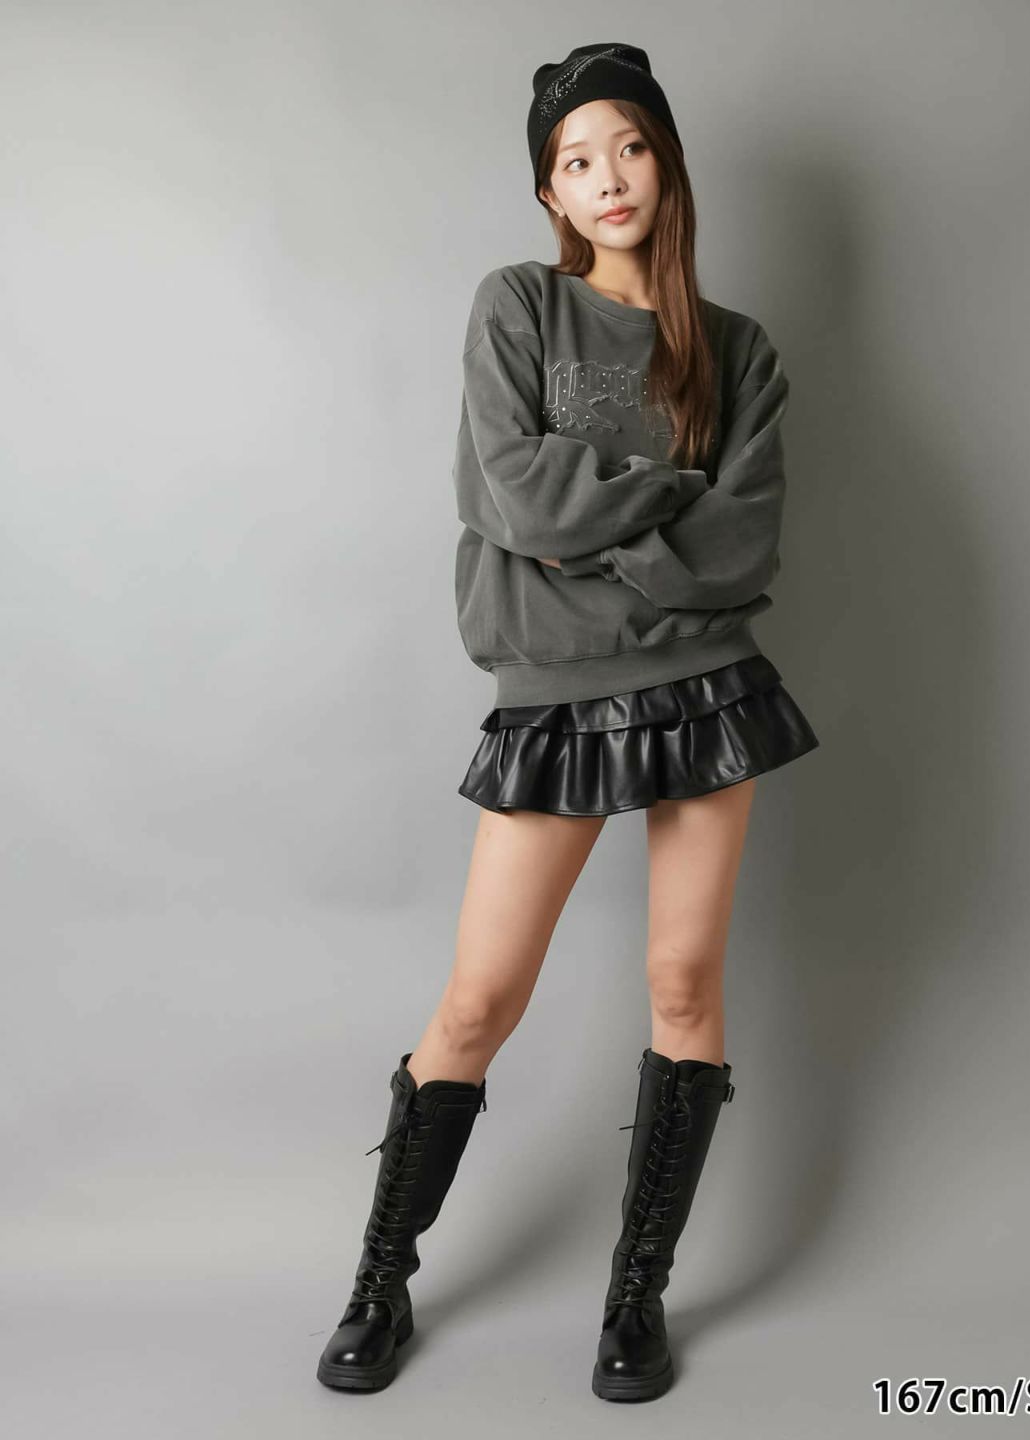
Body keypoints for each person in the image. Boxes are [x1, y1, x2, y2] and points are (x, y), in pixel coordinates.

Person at [316, 41, 820, 1402]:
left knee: (684, 985)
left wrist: (600, 540)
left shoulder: (740, 351)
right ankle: (381, 1279)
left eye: (629, 146)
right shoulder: (518, 308)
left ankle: (635, 1297)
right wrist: (670, 502)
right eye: (577, 159)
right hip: (551, 701)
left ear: (666, 160)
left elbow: (740, 550)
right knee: (479, 998)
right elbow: (516, 498)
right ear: (550, 191)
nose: (608, 177)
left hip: (710, 688)